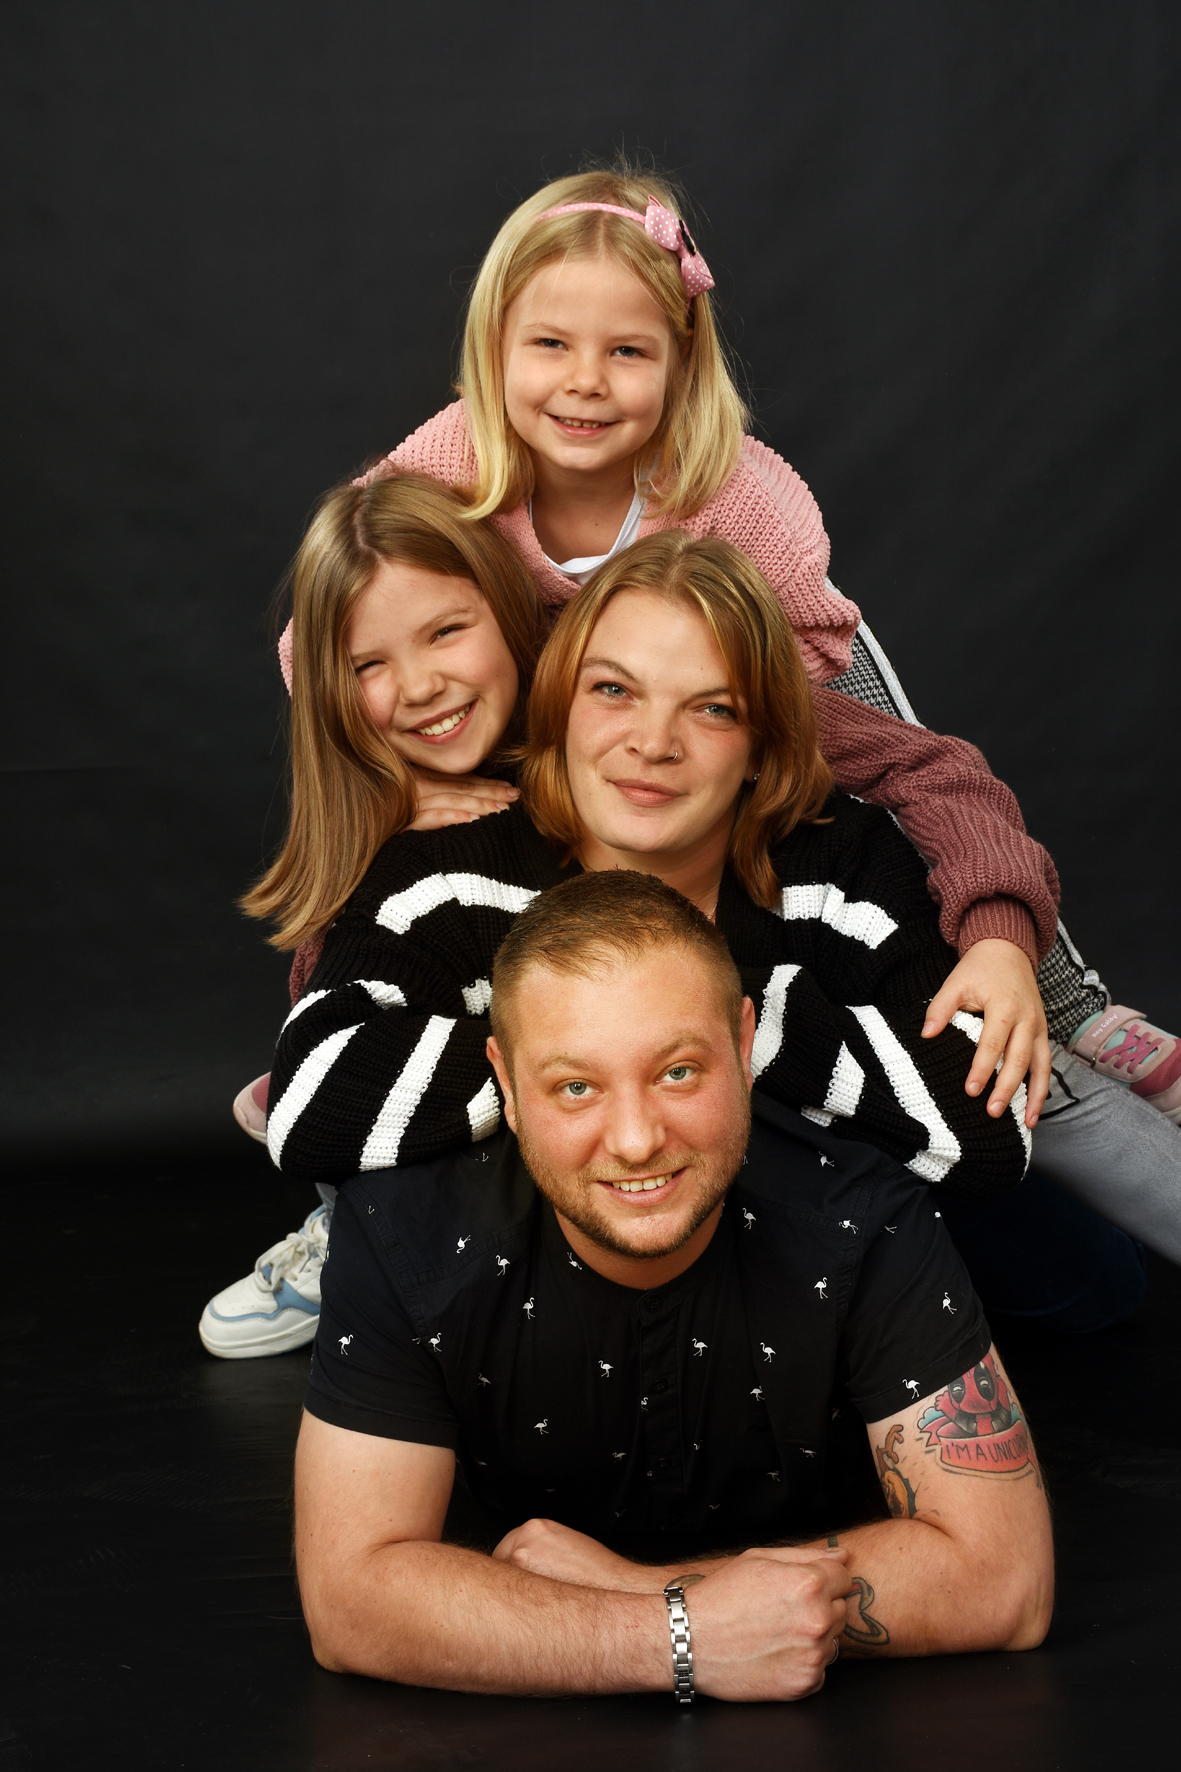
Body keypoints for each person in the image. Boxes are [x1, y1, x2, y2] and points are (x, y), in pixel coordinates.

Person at [275, 161, 1179, 1128]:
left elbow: (846, 700)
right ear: (489, 355)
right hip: (552, 676)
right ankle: (321, 1029)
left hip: (755, 649)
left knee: (916, 785)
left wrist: (992, 933)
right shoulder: (443, 469)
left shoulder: (733, 499)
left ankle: (1067, 1004)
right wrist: (406, 785)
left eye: (627, 351)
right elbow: (325, 646)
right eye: (548, 344)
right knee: (393, 793)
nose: (584, 381)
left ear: (680, 363)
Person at [294, 869, 1054, 1699]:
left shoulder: (863, 1211)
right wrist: (681, 1638)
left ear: (743, 1043)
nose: (634, 1140)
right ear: (506, 1087)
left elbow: (1003, 1580)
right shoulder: (401, 1230)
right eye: (575, 1087)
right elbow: (349, 1601)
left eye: (678, 1072)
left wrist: (642, 1593)